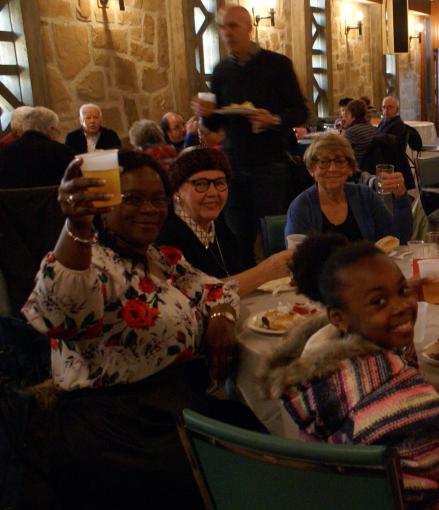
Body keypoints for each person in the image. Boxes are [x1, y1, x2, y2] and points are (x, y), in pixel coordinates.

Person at [21, 150, 241, 510]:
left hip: (171, 406)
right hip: (114, 430)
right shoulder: (93, 263)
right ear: (104, 208)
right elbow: (60, 311)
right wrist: (76, 225)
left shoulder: (161, 258)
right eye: (133, 199)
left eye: (157, 200)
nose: (150, 209)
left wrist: (220, 316)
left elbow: (214, 289)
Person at [257, 234, 439, 510]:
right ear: (339, 317)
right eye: (378, 301)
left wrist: (383, 303)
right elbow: (419, 505)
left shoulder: (322, 367)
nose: (401, 305)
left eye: (401, 291)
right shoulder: (411, 406)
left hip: (339, 498)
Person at [191, 5, 308, 266]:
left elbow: (300, 112)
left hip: (270, 162)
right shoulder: (221, 70)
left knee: (272, 231)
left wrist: (273, 119)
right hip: (233, 161)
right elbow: (216, 121)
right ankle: (246, 285)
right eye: (222, 27)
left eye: (232, 26)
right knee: (236, 231)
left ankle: (279, 283)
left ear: (248, 28)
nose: (226, 33)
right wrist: (206, 113)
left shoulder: (277, 65)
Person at [158, 147, 294, 295]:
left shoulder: (222, 232)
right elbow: (193, 295)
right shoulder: (166, 237)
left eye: (219, 183)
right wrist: (266, 270)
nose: (213, 193)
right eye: (201, 184)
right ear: (177, 190)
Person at [285, 133, 411, 242]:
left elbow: (398, 238)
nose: (332, 169)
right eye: (323, 162)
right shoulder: (301, 208)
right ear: (311, 169)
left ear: (350, 168)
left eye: (339, 161)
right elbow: (298, 261)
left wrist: (400, 198)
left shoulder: (365, 196)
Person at [0, 106, 74, 189]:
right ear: (51, 129)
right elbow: (73, 185)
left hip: (13, 202)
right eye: (56, 130)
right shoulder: (62, 152)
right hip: (55, 201)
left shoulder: (4, 152)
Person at [376, 96, 422, 189]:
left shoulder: (398, 125)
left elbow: (393, 147)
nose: (386, 110)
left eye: (390, 107)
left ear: (397, 110)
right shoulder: (384, 122)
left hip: (391, 163)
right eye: (384, 107)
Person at [342, 99, 377, 167]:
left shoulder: (351, 131)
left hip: (356, 168)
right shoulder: (371, 128)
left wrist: (345, 129)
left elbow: (341, 151)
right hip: (370, 166)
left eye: (347, 114)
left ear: (350, 114)